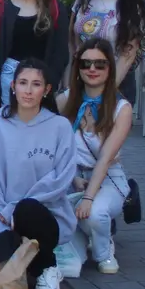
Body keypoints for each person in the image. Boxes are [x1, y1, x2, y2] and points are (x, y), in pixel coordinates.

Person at [0, 58, 78, 289]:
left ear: (47, 90)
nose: (29, 90)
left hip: (44, 215)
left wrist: (15, 209)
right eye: (23, 83)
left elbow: (61, 178)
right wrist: (0, 222)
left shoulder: (60, 126)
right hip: (3, 219)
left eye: (36, 84)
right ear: (12, 86)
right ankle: (29, 261)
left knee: (27, 210)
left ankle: (48, 267)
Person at [57, 39, 133, 275]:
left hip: (108, 176)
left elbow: (105, 158)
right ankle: (83, 234)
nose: (92, 69)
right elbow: (56, 149)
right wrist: (71, 179)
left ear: (109, 68)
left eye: (100, 64)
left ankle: (103, 251)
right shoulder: (63, 100)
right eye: (86, 63)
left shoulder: (121, 108)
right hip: (71, 175)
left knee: (95, 213)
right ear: (77, 69)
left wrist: (88, 197)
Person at [70, 0, 145, 105]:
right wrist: (70, 81)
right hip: (82, 79)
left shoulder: (130, 6)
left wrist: (105, 93)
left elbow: (127, 56)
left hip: (117, 84)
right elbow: (72, 42)